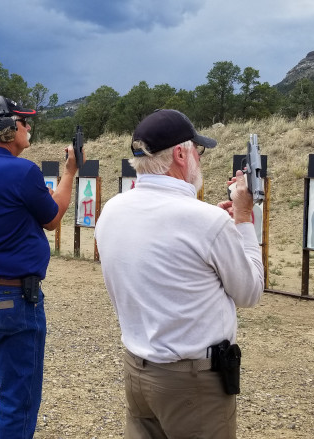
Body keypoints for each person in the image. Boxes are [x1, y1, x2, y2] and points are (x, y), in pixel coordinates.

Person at [94, 109, 265, 438]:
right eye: (197, 151)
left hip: (137, 370)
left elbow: (162, 251)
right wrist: (243, 220)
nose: (199, 160)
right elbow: (250, 291)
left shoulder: (112, 209)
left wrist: (212, 230)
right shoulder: (205, 223)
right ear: (180, 154)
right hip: (193, 382)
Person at [0, 95, 77, 438]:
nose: (28, 127)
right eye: (23, 123)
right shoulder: (23, 171)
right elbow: (52, 219)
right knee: (17, 398)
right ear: (7, 130)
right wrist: (69, 172)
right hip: (12, 297)